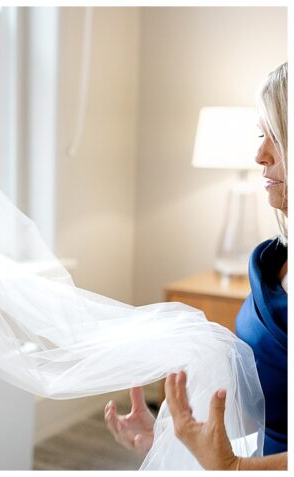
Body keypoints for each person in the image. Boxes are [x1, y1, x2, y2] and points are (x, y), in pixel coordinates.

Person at [105, 62, 287, 471]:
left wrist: (235, 468)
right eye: (262, 135)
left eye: (278, 137)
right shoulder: (271, 260)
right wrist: (172, 440)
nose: (260, 154)